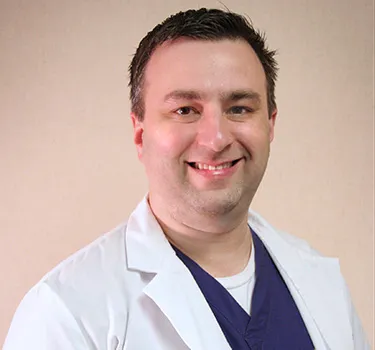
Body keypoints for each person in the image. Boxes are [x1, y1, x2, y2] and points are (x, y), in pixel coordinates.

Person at [4, 8, 370, 350]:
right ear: (140, 132)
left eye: (239, 108)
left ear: (270, 124)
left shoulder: (322, 284)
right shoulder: (65, 314)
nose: (216, 138)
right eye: (184, 110)